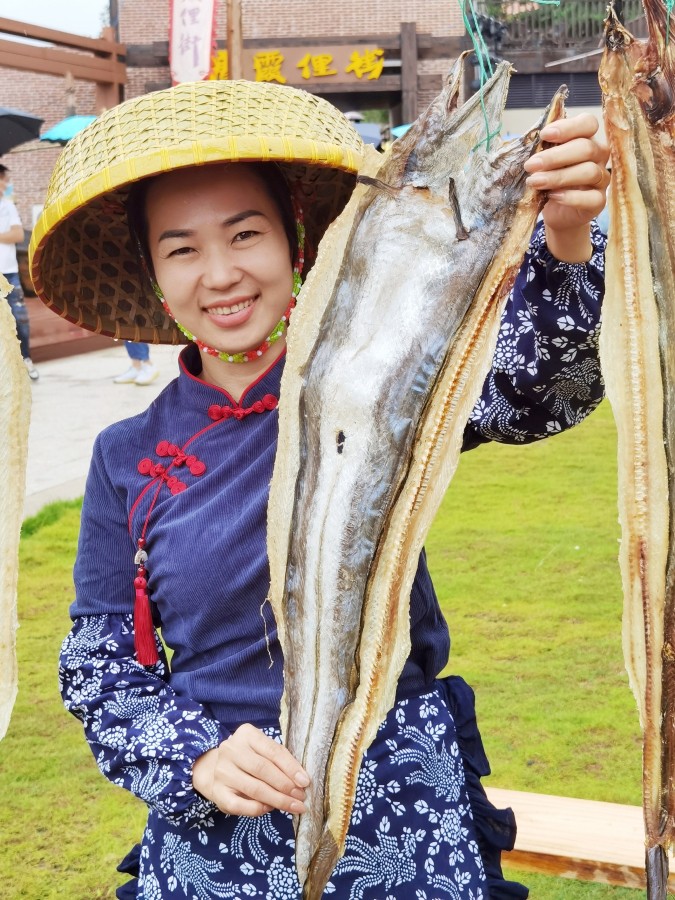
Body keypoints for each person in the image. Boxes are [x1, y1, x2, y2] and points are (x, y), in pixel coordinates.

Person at [29, 80, 609, 899]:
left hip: (399, 816)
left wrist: (568, 233)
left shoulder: (373, 382)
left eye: (245, 234)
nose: (221, 272)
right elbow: (100, 664)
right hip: (217, 832)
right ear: (155, 272)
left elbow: (537, 393)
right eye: (183, 247)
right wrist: (193, 752)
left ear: (298, 243)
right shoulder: (127, 456)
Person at [0, 164, 38, 380]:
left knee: (19, 319)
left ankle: (26, 360)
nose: (6, 184)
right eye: (3, 180)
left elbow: (16, 236)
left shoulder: (7, 207)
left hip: (9, 273)